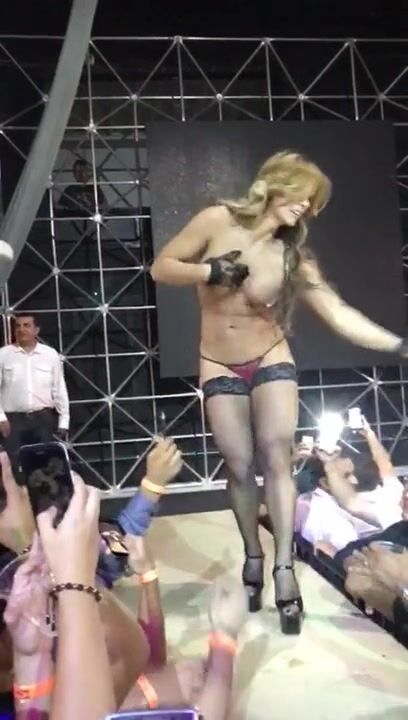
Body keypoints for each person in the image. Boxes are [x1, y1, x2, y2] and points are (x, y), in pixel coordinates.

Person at [151, 150, 408, 635]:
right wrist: (209, 272)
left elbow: (338, 313)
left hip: (271, 356)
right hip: (218, 361)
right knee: (238, 463)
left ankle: (284, 566)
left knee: (276, 453)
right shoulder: (217, 220)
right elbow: (161, 267)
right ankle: (254, 553)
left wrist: (399, 345)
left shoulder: (292, 256)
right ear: (276, 185)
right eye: (303, 195)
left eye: (313, 202)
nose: (306, 207)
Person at [0, 313, 70, 476]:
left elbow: (59, 387)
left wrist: (64, 420)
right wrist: (1, 418)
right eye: (18, 326)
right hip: (13, 421)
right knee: (15, 467)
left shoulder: (50, 354)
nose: (21, 330)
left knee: (45, 466)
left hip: (43, 419)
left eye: (26, 325)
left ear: (36, 330)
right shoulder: (3, 355)